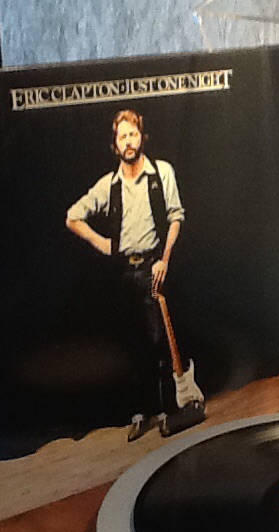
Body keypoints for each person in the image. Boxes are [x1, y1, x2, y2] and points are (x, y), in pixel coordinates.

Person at [65, 109, 185, 441]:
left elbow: (176, 218)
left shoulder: (161, 173)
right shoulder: (109, 185)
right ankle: (140, 414)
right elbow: (73, 217)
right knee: (133, 345)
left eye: (133, 134)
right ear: (114, 145)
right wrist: (100, 242)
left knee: (159, 342)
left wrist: (164, 260)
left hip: (152, 270)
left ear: (142, 137)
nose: (128, 141)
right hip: (121, 273)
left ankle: (167, 411)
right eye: (122, 137)